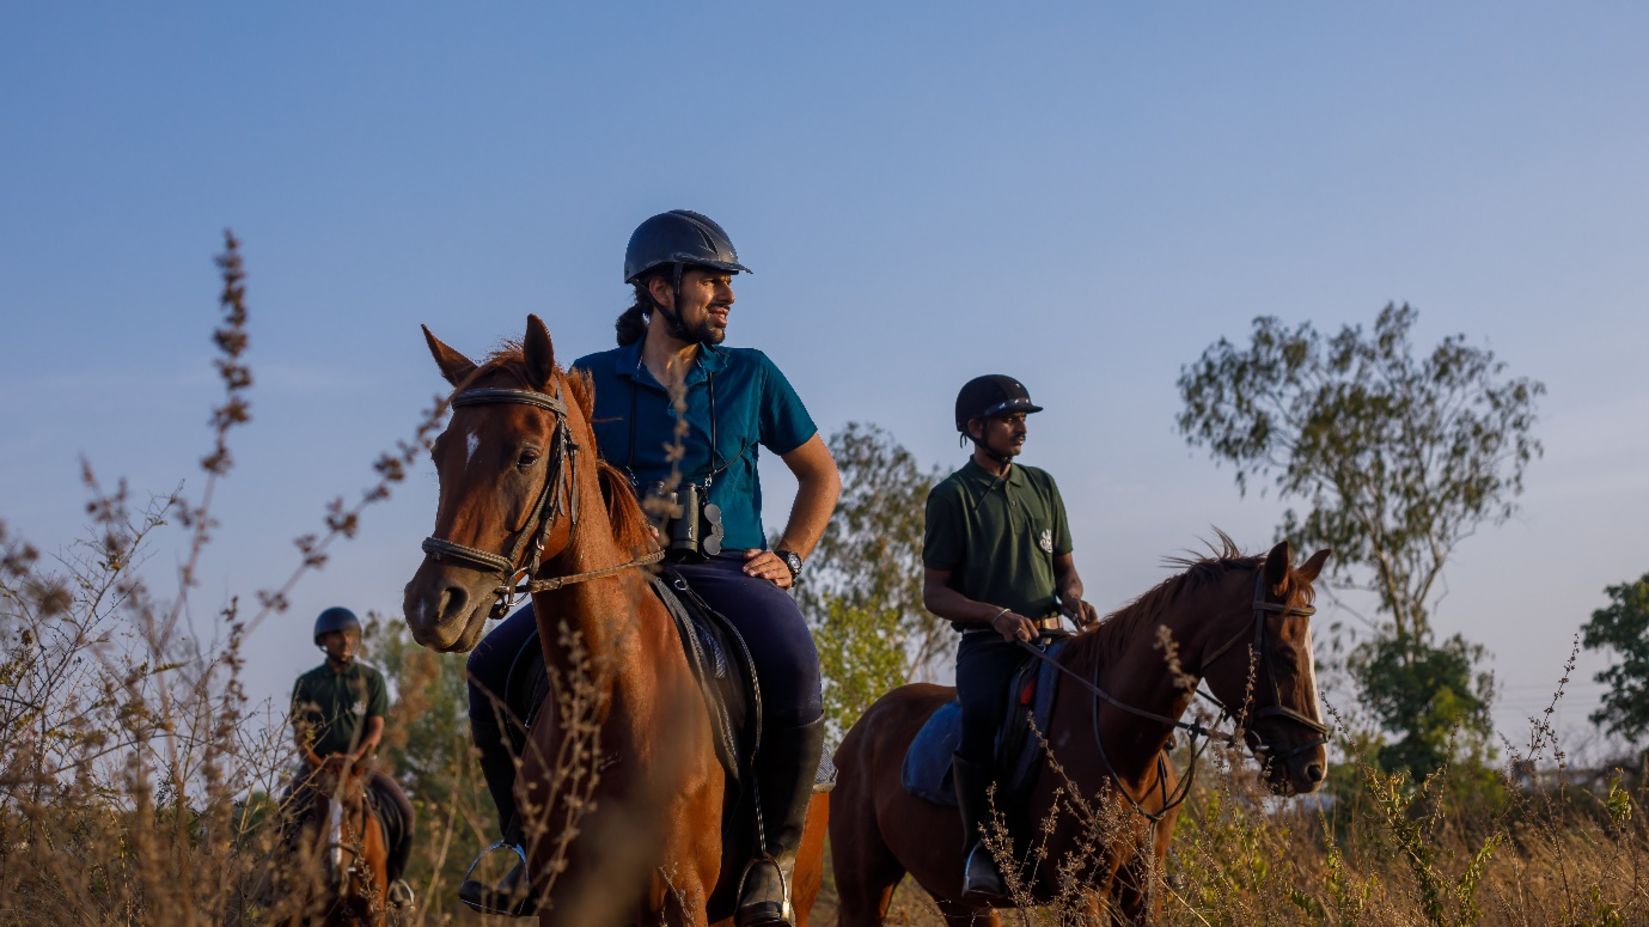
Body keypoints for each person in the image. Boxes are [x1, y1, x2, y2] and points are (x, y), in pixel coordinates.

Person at [459, 209, 840, 926]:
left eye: (728, 283)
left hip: (726, 571)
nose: (726, 296)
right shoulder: (588, 380)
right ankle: (517, 842)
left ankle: (770, 859)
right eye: (711, 281)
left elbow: (820, 475)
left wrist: (790, 555)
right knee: (485, 668)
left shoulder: (752, 374)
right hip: (618, 576)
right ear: (659, 289)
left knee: (793, 664)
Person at [920, 375, 1099, 903]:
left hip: (1052, 640)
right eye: (1008, 418)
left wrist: (1072, 597)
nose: (1021, 427)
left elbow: (1066, 570)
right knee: (979, 721)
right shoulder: (951, 497)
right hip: (990, 647)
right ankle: (981, 847)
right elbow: (935, 593)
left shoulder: (1042, 485)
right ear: (976, 428)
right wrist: (994, 614)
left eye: (1024, 418)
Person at [287, 606, 416, 905]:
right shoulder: (308, 683)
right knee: (284, 812)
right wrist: (315, 763)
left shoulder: (371, 679)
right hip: (317, 769)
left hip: (361, 768)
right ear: (323, 640)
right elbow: (299, 731)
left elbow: (376, 727)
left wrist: (355, 759)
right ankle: (280, 885)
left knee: (406, 812)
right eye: (337, 636)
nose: (346, 641)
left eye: (351, 635)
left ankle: (395, 882)